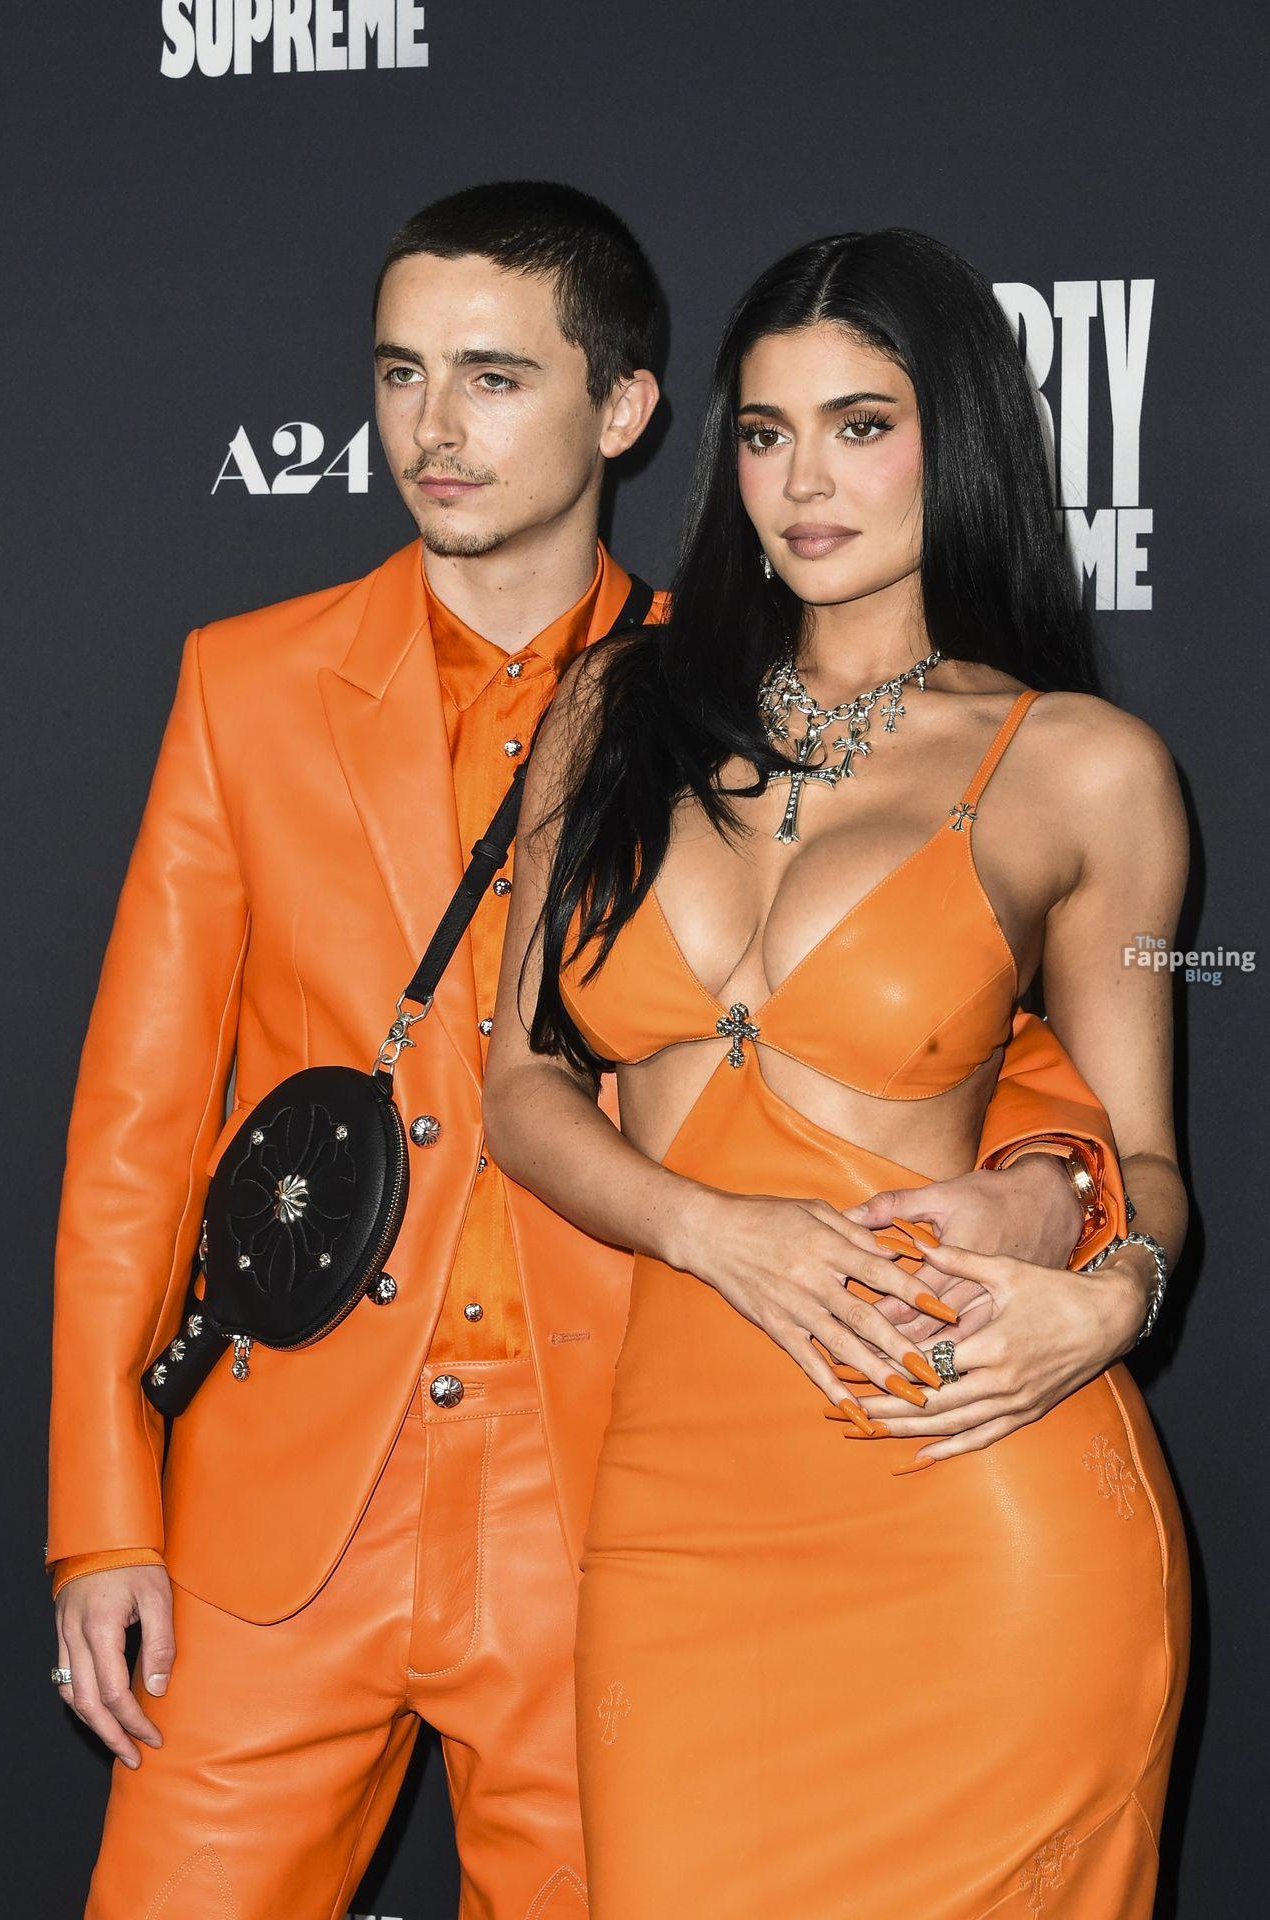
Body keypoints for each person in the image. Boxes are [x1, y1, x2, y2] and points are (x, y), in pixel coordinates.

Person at [47, 183, 1126, 1918]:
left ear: (623, 410)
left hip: (617, 1496)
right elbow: (137, 1131)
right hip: (280, 1507)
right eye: (400, 374)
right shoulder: (243, 687)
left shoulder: (730, 699)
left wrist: (1052, 1198)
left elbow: (966, 1028)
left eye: (491, 377)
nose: (433, 429)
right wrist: (105, 1518)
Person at [482, 227, 1190, 1918]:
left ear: (959, 440)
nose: (803, 481)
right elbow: (519, 1087)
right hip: (679, 1514)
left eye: (861, 426)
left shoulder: (1083, 769)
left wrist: (1116, 1298)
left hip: (972, 1492)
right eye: (764, 431)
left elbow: (1147, 1159)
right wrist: (709, 1229)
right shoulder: (610, 710)